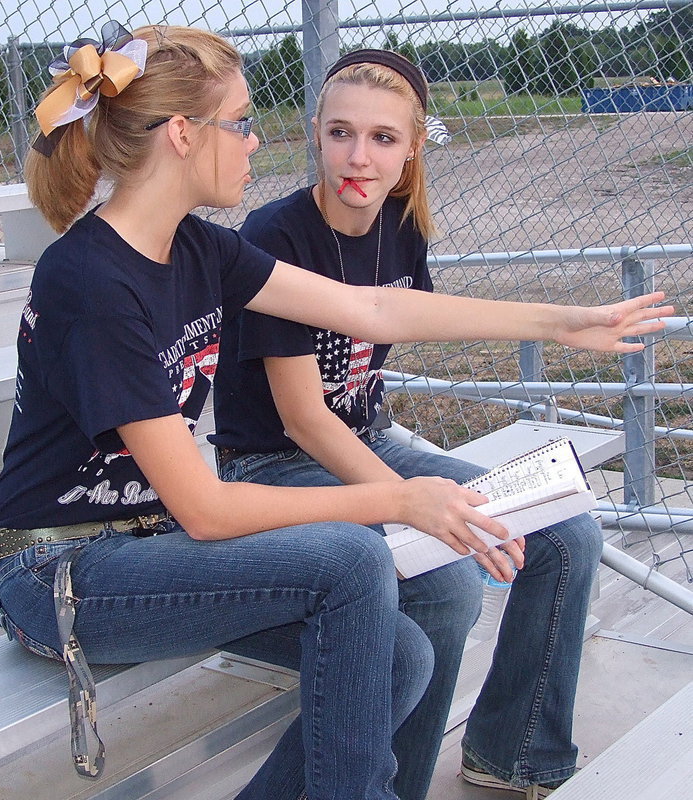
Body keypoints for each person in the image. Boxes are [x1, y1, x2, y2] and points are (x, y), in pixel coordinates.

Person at [0, 23, 669, 800]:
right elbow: (207, 509)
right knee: (348, 565)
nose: (253, 143)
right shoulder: (91, 282)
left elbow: (369, 311)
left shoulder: (199, 249)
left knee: (400, 658)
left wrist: (560, 322)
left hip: (146, 549)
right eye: (240, 122)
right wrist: (401, 500)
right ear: (182, 134)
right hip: (60, 574)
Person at [210, 49, 671, 800]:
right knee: (444, 574)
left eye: (383, 139)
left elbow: (396, 330)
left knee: (566, 532)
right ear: (315, 135)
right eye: (339, 133)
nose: (357, 157)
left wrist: (565, 324)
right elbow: (301, 420)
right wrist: (413, 503)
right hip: (276, 459)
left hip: (368, 435)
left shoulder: (400, 224)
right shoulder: (275, 236)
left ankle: (514, 753)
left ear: (412, 146)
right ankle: (398, 786)